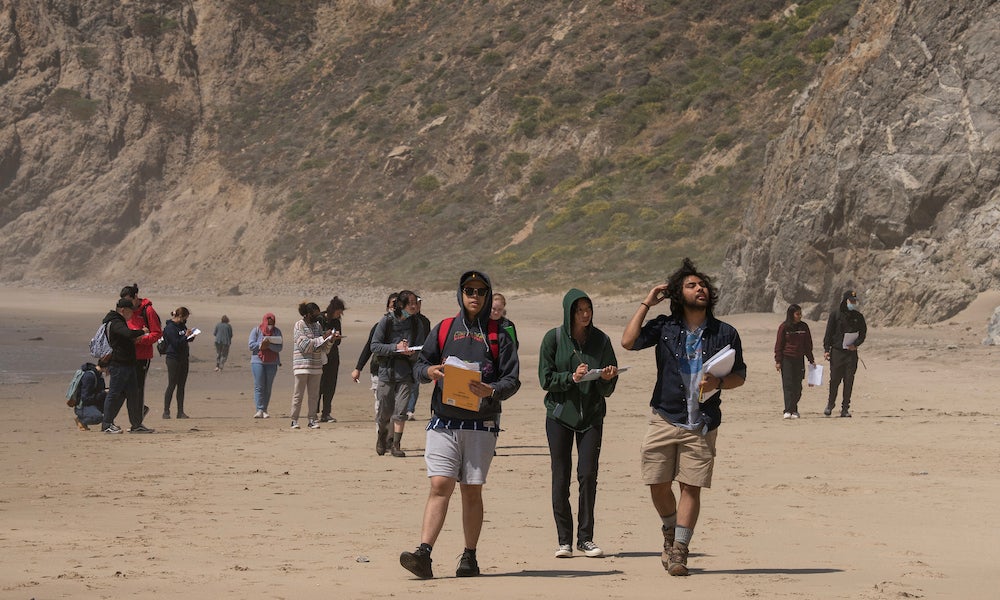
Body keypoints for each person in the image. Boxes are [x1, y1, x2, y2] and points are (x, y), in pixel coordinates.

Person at [621, 257, 746, 577]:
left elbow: (740, 376)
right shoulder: (665, 327)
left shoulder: (726, 332)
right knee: (657, 483)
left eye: (703, 284)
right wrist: (647, 303)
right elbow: (629, 341)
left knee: (691, 486)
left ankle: (679, 549)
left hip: (703, 420)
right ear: (679, 294)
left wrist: (718, 382)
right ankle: (669, 530)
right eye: (691, 285)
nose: (700, 288)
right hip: (664, 415)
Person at [399, 270, 521, 579]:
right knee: (440, 484)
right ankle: (423, 554)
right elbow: (421, 365)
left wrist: (492, 389)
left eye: (481, 291)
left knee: (470, 490)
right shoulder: (443, 330)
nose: (475, 296)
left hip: (481, 423)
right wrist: (431, 373)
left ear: (488, 295)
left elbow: (512, 379)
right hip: (443, 420)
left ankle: (469, 557)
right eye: (469, 290)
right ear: (461, 293)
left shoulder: (499, 334)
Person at [539, 289, 619, 559]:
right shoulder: (554, 338)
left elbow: (609, 387)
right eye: (580, 310)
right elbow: (545, 379)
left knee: (587, 475)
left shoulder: (602, 340)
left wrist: (607, 378)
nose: (585, 314)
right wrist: (571, 378)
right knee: (560, 477)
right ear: (569, 312)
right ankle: (564, 541)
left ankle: (586, 538)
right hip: (559, 416)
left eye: (588, 309)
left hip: (592, 417)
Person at [371, 290, 425, 456]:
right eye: (411, 303)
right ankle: (382, 437)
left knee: (401, 411)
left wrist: (412, 353)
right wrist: (396, 348)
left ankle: (396, 445)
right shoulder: (386, 322)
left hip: (406, 373)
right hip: (386, 372)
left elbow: (422, 348)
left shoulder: (417, 324)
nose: (415, 306)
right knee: (384, 412)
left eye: (416, 303)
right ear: (401, 305)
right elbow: (374, 346)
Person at [101, 298, 154, 434]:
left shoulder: (119, 321)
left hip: (129, 364)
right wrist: (142, 331)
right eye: (131, 311)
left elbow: (126, 338)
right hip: (119, 364)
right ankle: (106, 424)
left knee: (133, 394)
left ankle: (136, 424)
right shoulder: (115, 322)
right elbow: (128, 333)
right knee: (114, 393)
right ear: (123, 310)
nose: (133, 314)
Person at [352, 293, 398, 421]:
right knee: (381, 404)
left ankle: (391, 437)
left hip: (399, 371)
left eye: (397, 306)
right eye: (391, 306)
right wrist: (358, 369)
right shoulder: (380, 326)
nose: (394, 309)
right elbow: (369, 347)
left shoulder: (408, 327)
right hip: (379, 369)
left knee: (395, 407)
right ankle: (382, 435)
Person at [290, 302, 336, 430]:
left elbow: (323, 348)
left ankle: (312, 419)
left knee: (314, 395)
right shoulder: (299, 325)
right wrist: (322, 338)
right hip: (301, 366)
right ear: (308, 314)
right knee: (298, 394)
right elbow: (305, 346)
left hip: (316, 366)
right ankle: (294, 419)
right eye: (316, 314)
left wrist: (330, 340)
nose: (318, 317)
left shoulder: (317, 326)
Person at [119, 284, 162, 419]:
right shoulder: (126, 311)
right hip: (126, 356)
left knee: (137, 388)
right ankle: (139, 411)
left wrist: (140, 339)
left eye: (128, 300)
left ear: (135, 297)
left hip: (142, 356)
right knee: (123, 387)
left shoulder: (148, 311)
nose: (126, 304)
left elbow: (157, 333)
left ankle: (137, 418)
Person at [822, 290, 867, 418]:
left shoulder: (858, 317)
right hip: (837, 352)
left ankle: (845, 408)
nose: (853, 303)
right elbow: (828, 333)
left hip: (851, 354)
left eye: (855, 301)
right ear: (845, 301)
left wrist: (856, 344)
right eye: (851, 301)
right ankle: (830, 405)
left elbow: (863, 333)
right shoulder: (835, 315)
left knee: (849, 381)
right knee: (835, 380)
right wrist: (826, 350)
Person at [774, 304, 815, 419]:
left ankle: (794, 408)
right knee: (788, 385)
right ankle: (788, 410)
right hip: (787, 359)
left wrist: (811, 360)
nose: (800, 316)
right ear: (791, 314)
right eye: (797, 314)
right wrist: (778, 361)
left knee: (798, 386)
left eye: (800, 314)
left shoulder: (804, 327)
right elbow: (779, 345)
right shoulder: (784, 327)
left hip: (799, 359)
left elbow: (808, 345)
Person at [162, 307, 195, 419]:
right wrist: (185, 337)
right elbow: (175, 343)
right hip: (173, 358)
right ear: (180, 316)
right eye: (186, 317)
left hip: (183, 358)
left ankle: (180, 412)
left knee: (181, 386)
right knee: (172, 385)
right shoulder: (170, 327)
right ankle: (166, 411)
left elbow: (184, 339)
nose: (186, 319)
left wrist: (190, 336)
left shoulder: (182, 326)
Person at [249, 312, 283, 419]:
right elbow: (250, 345)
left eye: (272, 323)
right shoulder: (256, 330)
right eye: (268, 322)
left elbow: (279, 347)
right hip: (257, 361)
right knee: (259, 386)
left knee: (268, 387)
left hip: (272, 362)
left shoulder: (277, 331)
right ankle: (259, 409)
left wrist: (269, 346)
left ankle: (265, 409)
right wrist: (261, 345)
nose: (270, 325)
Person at [318, 296, 346, 423]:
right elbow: (317, 336)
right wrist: (327, 335)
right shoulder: (320, 318)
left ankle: (326, 413)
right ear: (333, 309)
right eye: (338, 312)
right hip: (320, 356)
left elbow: (338, 342)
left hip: (333, 356)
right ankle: (314, 412)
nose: (339, 314)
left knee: (331, 385)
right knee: (319, 384)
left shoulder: (337, 321)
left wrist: (336, 338)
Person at [404, 294, 432, 421]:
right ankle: (401, 408)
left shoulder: (425, 321)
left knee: (415, 383)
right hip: (403, 355)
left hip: (418, 356)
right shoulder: (404, 320)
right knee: (403, 383)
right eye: (414, 303)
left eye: (419, 303)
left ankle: (410, 410)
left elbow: (428, 339)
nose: (416, 306)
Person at [70, 362, 107, 431]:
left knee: (112, 403)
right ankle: (81, 420)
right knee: (97, 418)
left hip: (93, 402)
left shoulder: (99, 375)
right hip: (82, 406)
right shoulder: (89, 376)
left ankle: (108, 424)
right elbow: (86, 398)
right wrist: (103, 393)